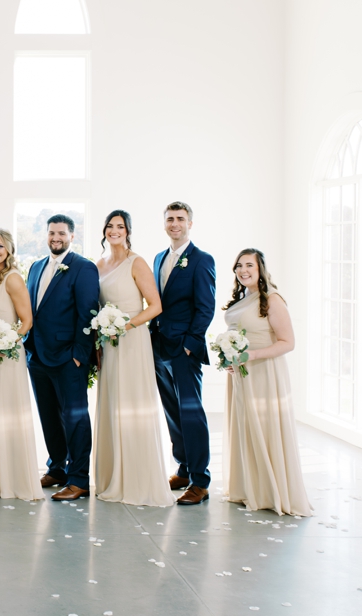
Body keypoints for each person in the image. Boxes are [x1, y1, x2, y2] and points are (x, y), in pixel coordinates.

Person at [222, 249, 312, 516]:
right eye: (239, 265)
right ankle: (251, 487)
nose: (243, 270)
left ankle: (272, 490)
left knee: (265, 428)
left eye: (249, 265)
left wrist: (251, 355)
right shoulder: (244, 298)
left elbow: (288, 342)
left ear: (261, 269)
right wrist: (229, 357)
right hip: (241, 373)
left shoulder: (271, 299)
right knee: (246, 427)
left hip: (264, 372)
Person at [92, 212, 173, 507]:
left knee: (132, 402)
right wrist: (101, 338)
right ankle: (114, 475)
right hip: (108, 343)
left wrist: (123, 326)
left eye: (120, 227)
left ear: (128, 232)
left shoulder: (136, 262)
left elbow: (155, 307)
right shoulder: (99, 265)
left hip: (132, 339)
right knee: (113, 403)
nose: (115, 231)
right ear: (104, 231)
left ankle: (138, 479)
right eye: (110, 226)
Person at [24, 215, 99, 501]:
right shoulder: (36, 266)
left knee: (75, 418)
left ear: (72, 236)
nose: (56, 238)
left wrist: (79, 355)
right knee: (49, 416)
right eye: (52, 233)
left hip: (68, 357)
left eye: (62, 233)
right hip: (37, 356)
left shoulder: (84, 268)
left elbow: (88, 313)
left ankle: (79, 479)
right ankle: (57, 468)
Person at [150, 201, 216, 506]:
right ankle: (184, 468)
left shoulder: (202, 260)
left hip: (184, 349)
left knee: (191, 412)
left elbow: (206, 307)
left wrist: (190, 343)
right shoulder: (159, 258)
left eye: (180, 219)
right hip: (159, 346)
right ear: (164, 223)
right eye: (170, 219)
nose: (174, 223)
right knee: (172, 411)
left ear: (190, 223)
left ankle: (200, 480)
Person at [0, 230, 44, 501]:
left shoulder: (13, 278)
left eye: (0, 246)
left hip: (6, 354)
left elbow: (26, 321)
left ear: (10, 249)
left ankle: (10, 479)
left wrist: (6, 342)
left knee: (5, 410)